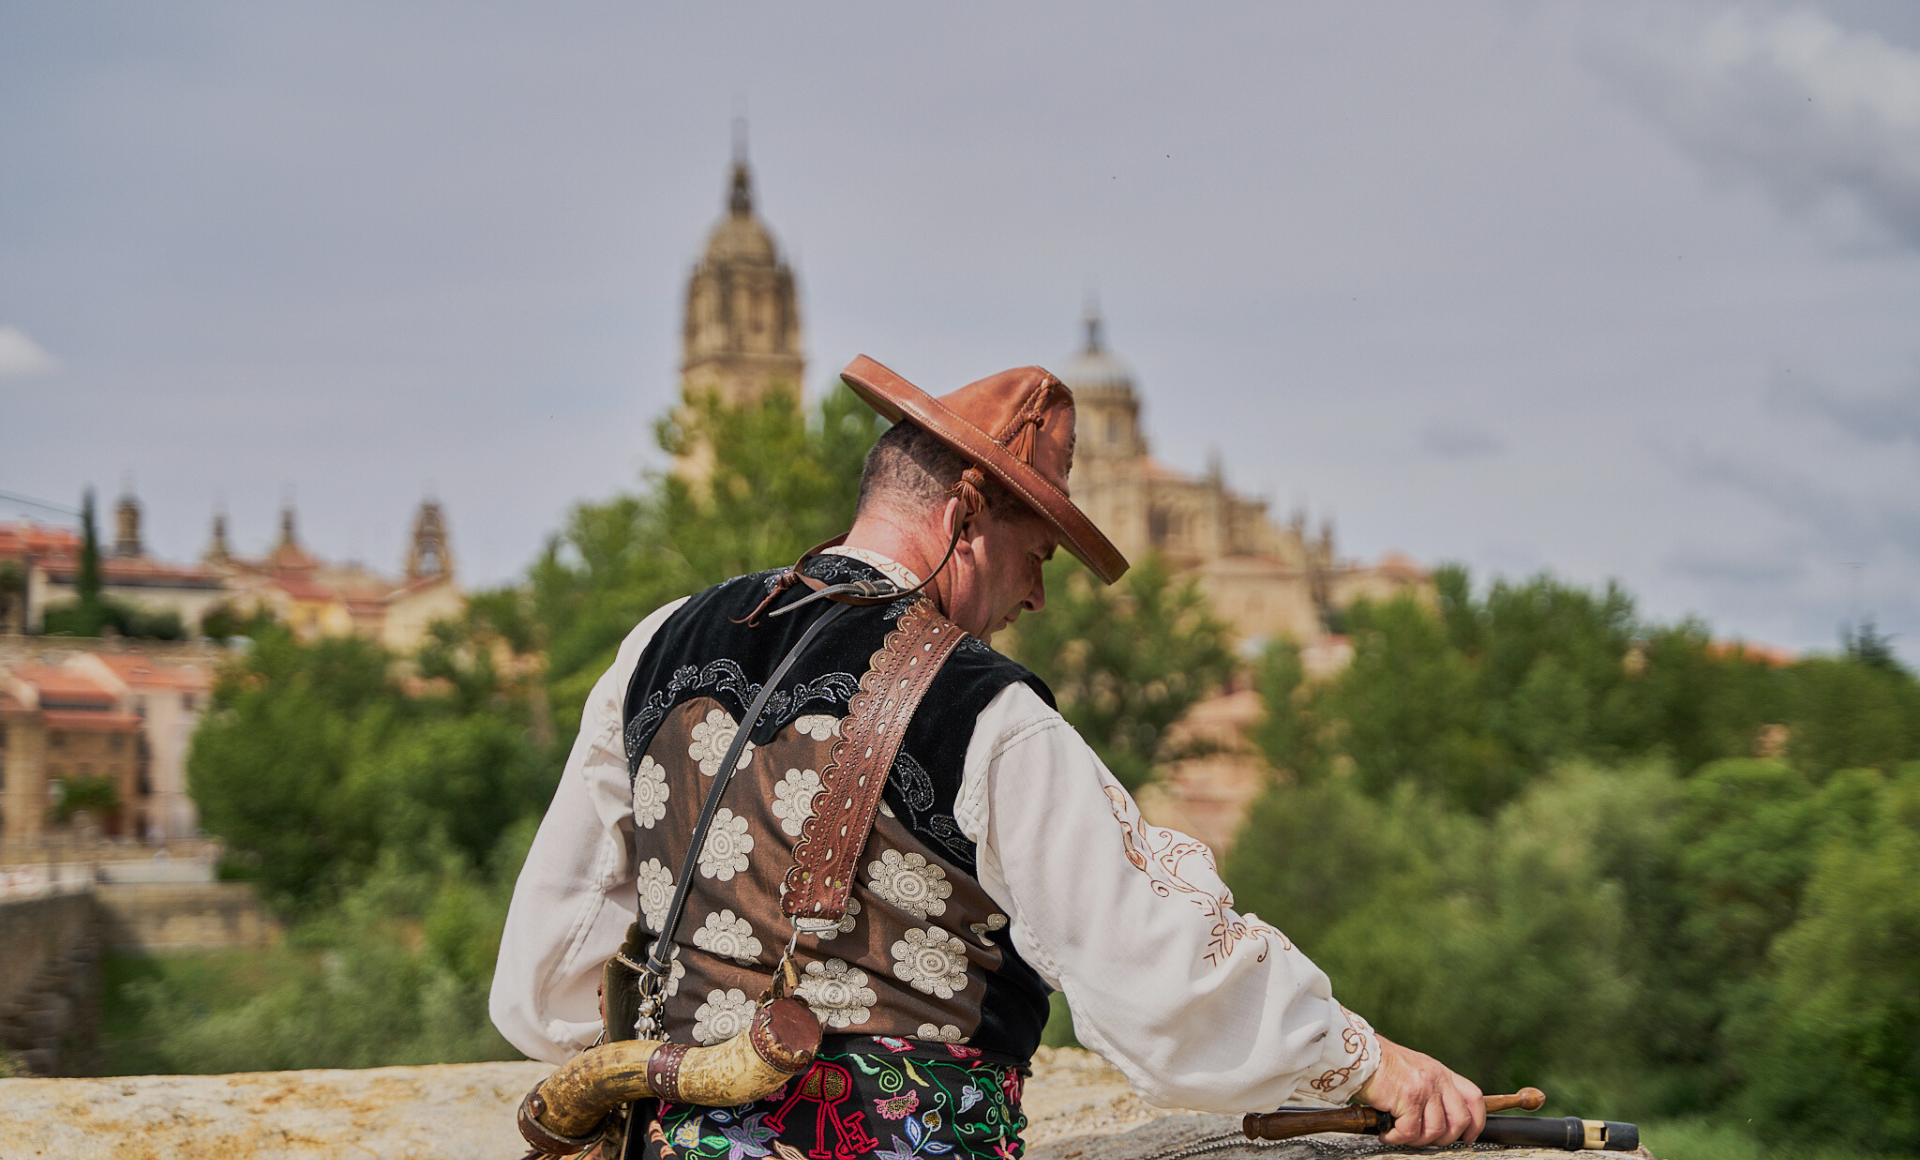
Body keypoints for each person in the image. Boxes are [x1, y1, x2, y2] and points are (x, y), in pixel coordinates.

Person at [492, 355, 1485, 1158]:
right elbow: (1163, 980)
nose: (1038, 596)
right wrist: (1371, 1061)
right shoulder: (986, 708)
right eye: (1036, 554)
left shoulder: (661, 638)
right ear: (966, 513)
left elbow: (543, 984)